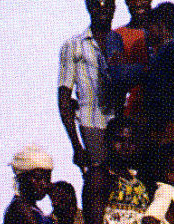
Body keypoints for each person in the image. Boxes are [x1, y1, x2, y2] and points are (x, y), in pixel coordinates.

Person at [58, 0, 117, 170]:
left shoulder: (118, 41)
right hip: (91, 123)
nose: (102, 8)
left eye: (107, 4)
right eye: (97, 4)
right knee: (99, 175)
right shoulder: (74, 45)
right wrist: (76, 146)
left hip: (119, 124)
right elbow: (64, 98)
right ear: (89, 7)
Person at [139, 2, 174, 143]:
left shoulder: (171, 52)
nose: (148, 31)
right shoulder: (168, 52)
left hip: (167, 127)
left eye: (151, 26)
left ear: (162, 26)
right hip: (162, 124)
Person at [109, 0, 151, 119]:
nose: (138, 3)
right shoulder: (117, 36)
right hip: (129, 113)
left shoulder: (168, 32)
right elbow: (119, 74)